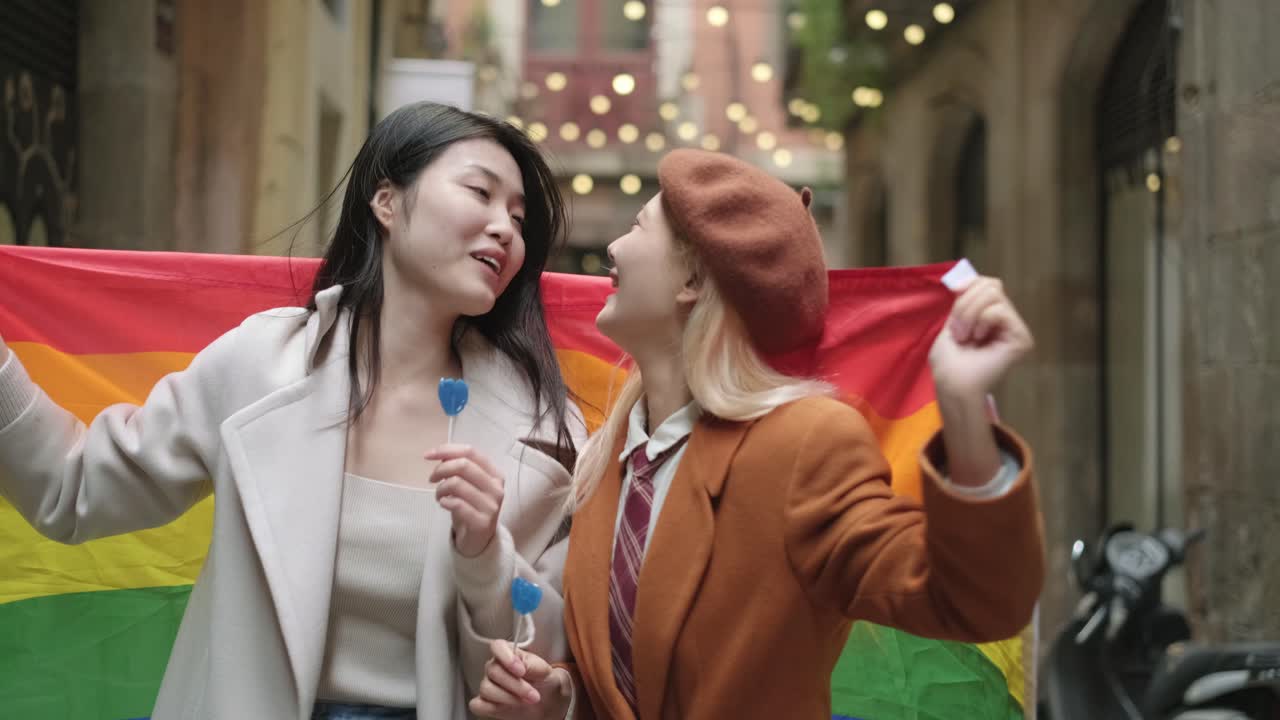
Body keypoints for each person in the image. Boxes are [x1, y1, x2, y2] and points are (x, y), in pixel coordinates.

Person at [0, 102, 583, 720]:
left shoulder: (545, 431)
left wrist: (485, 553)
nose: (504, 229)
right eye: (479, 192)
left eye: (518, 220)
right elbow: (73, 487)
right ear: (386, 202)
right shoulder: (262, 364)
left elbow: (555, 648)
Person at [468, 149, 1045, 720]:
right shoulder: (607, 459)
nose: (613, 249)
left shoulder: (805, 442)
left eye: (638, 226)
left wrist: (964, 410)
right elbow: (628, 678)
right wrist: (558, 699)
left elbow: (976, 602)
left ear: (692, 278)